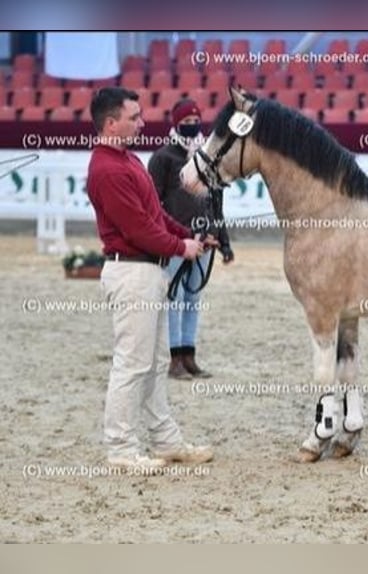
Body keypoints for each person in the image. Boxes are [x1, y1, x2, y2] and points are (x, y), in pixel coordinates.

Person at [86, 87, 215, 472]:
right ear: (112, 123)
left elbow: (155, 214)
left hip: (147, 270)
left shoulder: (127, 161)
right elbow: (139, 229)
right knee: (131, 364)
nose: (142, 123)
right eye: (134, 117)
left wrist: (189, 235)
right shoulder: (107, 169)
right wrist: (182, 248)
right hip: (132, 271)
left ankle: (164, 440)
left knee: (155, 362)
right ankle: (121, 449)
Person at [148, 98, 234, 380]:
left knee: (193, 298)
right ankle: (173, 357)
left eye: (194, 122)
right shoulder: (162, 158)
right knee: (174, 298)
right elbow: (153, 204)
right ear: (175, 124)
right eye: (185, 123)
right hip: (176, 241)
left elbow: (217, 202)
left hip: (205, 239)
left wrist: (224, 241)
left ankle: (189, 354)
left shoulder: (208, 159)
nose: (191, 127)